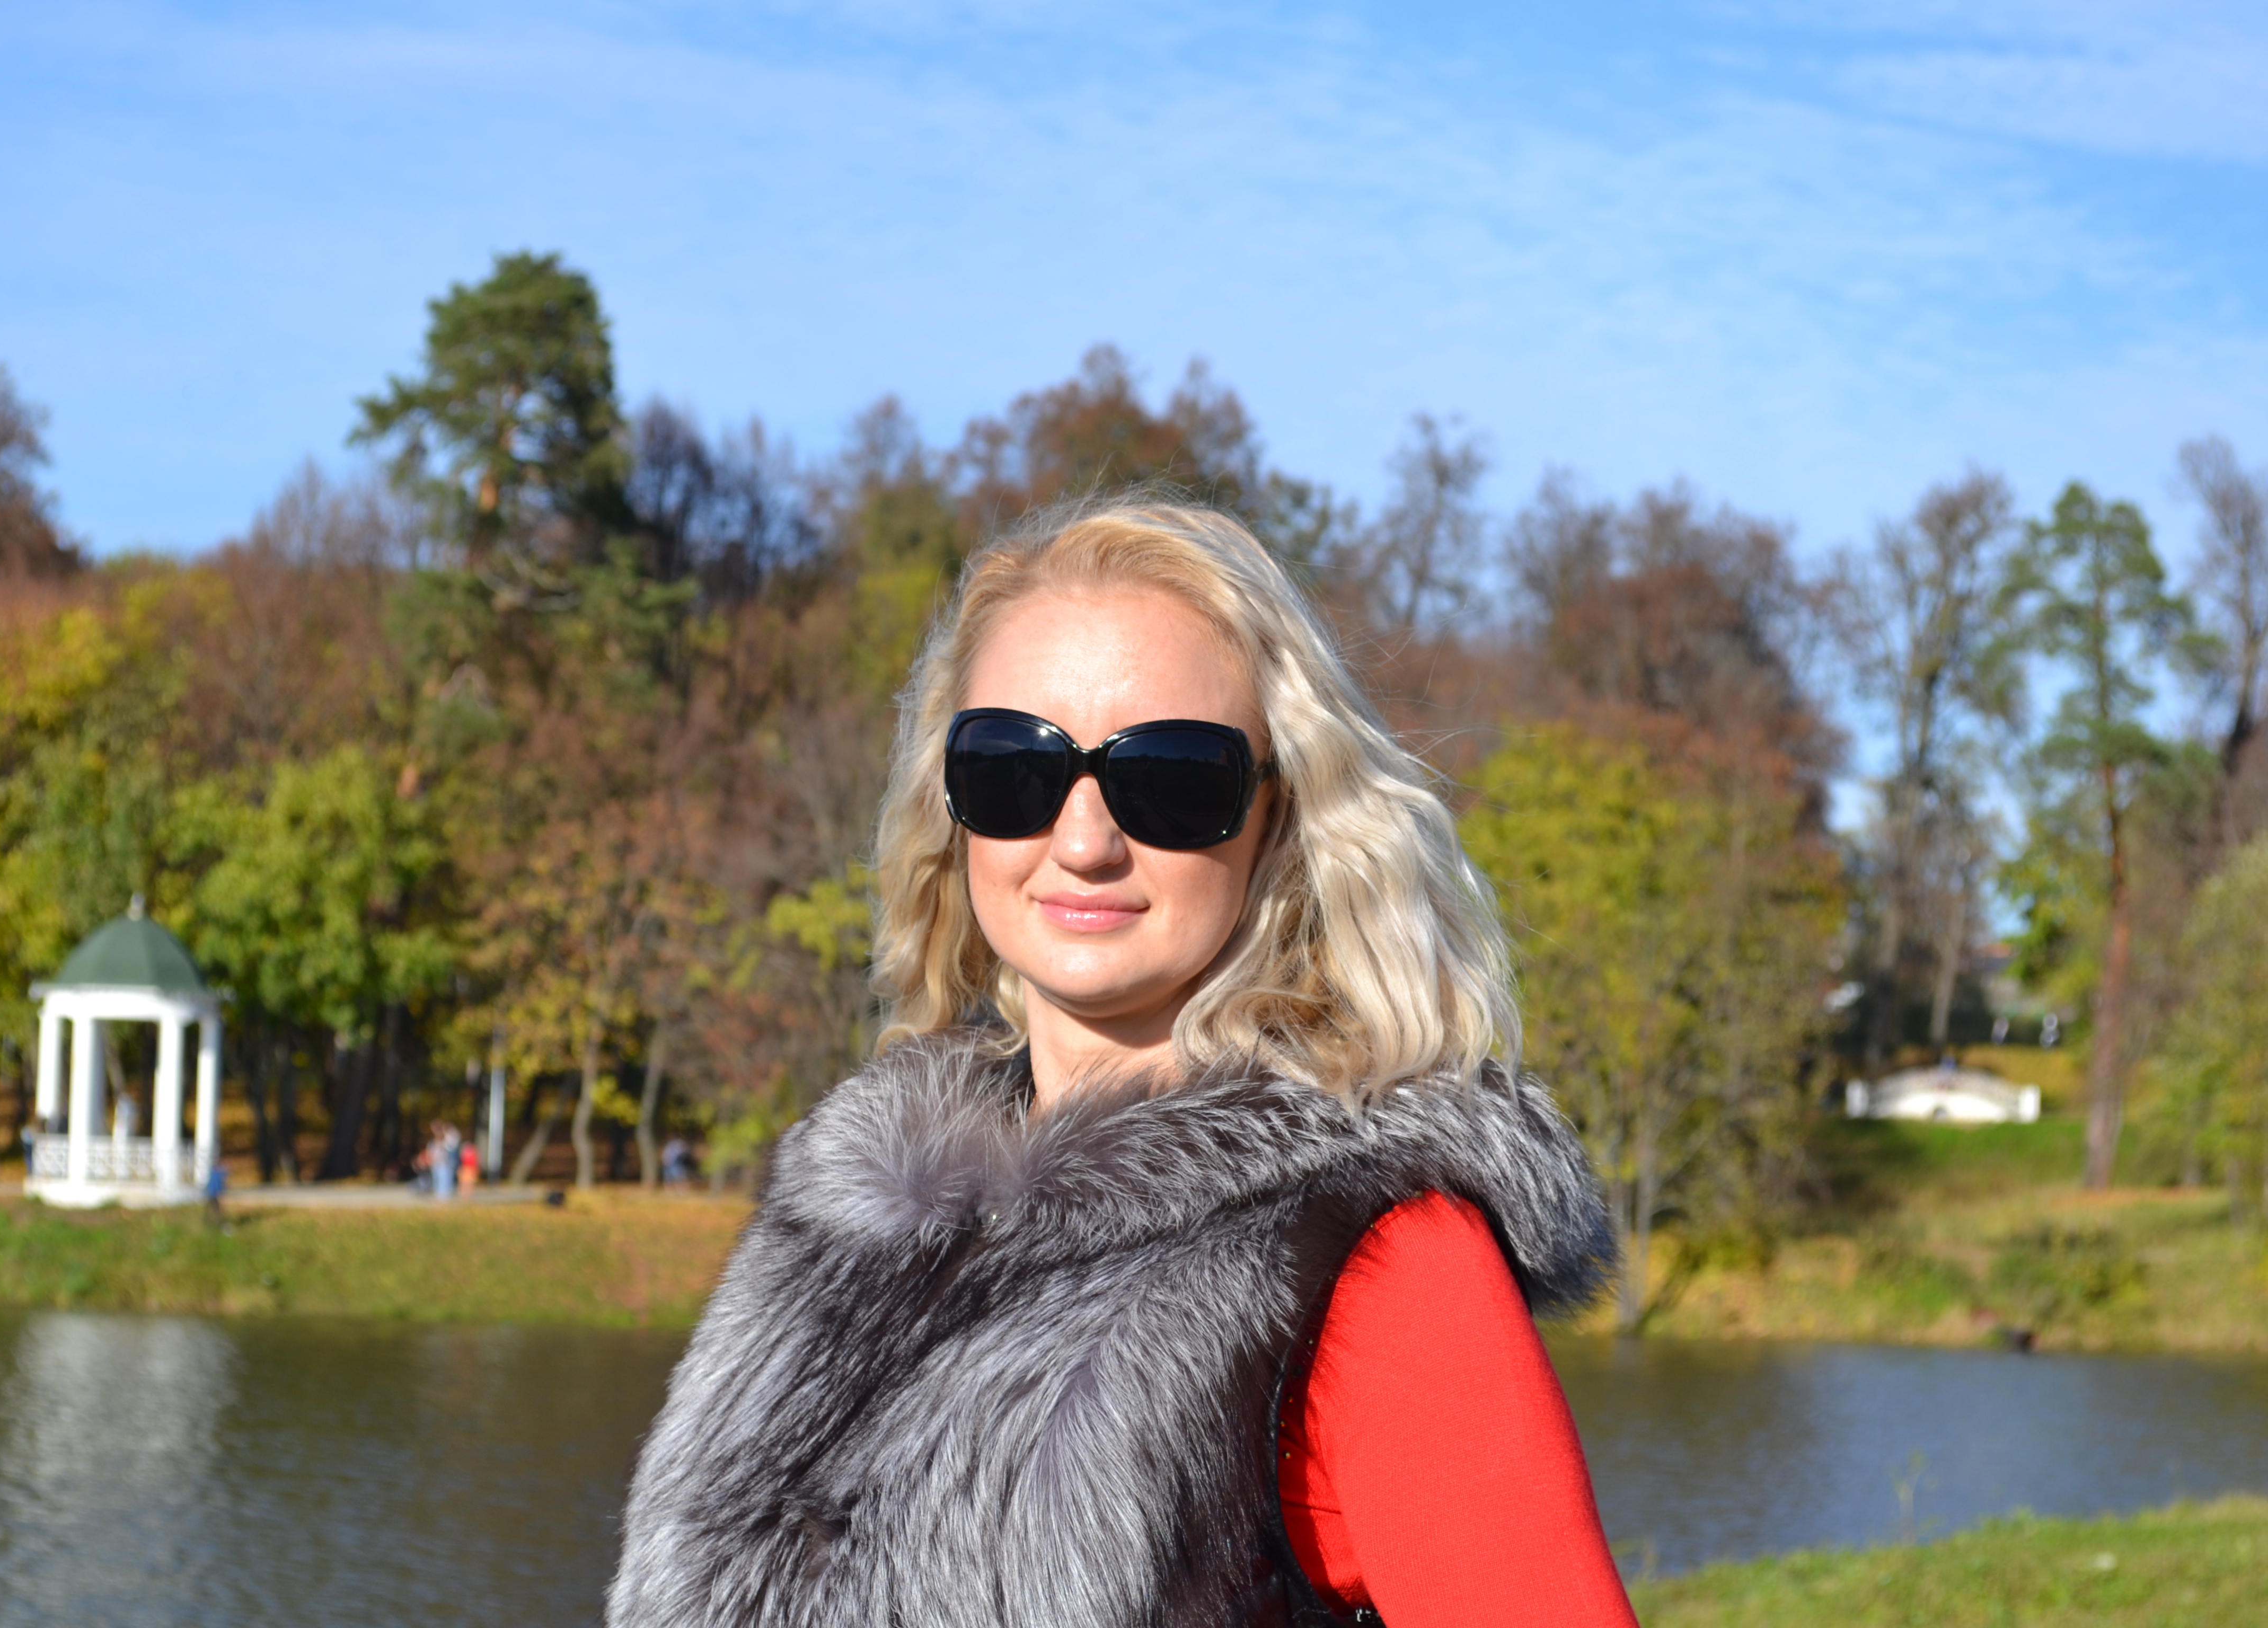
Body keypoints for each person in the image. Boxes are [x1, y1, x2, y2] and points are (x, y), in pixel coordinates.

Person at [610, 501, 1633, 1626]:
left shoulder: (1375, 1255)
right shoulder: (849, 1221)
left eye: (1174, 780)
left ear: (1281, 815)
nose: (1085, 841)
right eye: (1012, 767)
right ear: (950, 805)